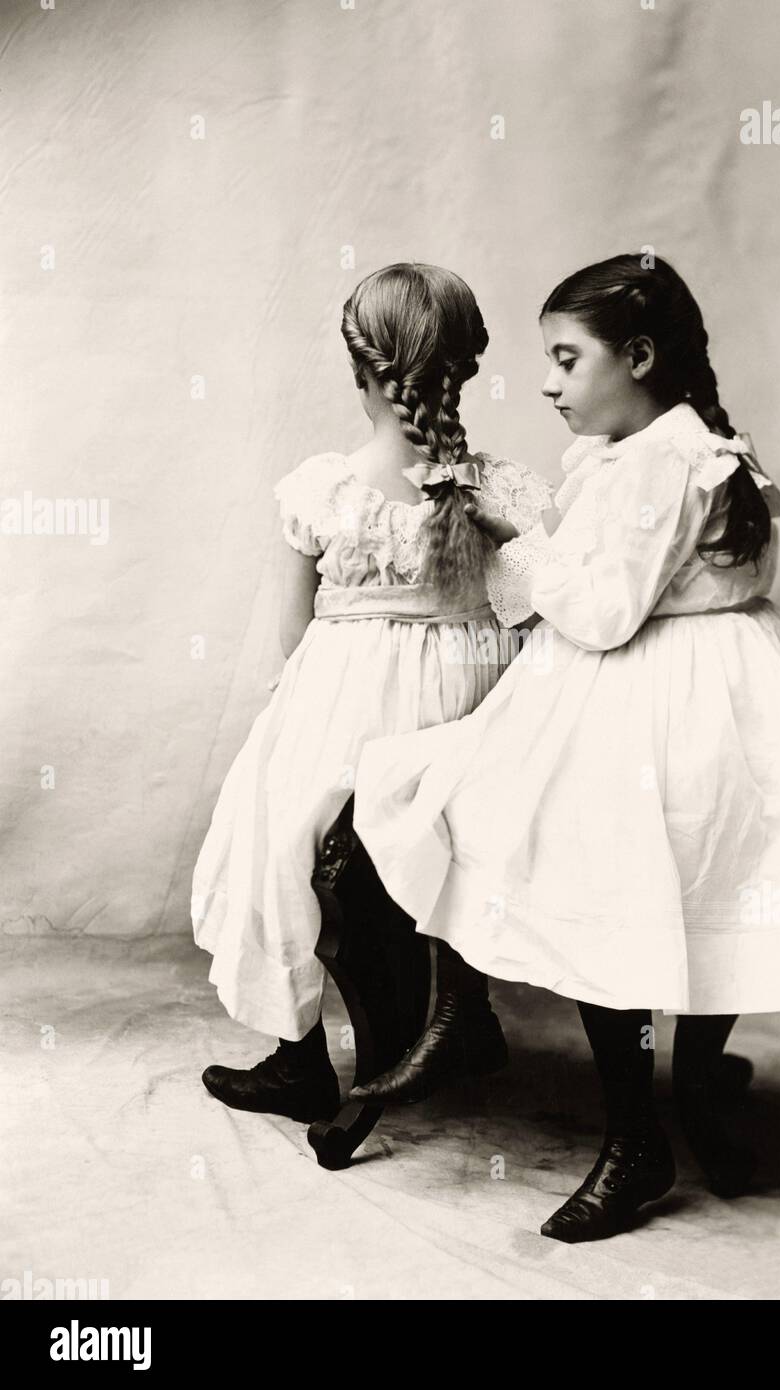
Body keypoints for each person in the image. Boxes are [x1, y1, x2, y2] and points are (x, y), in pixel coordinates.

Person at [351, 252, 780, 1242]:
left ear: (639, 357)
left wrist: (505, 530)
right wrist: (530, 533)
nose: (546, 383)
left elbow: (605, 608)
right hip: (719, 687)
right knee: (694, 890)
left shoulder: (667, 463)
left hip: (668, 700)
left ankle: (642, 1132)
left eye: (567, 361)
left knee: (619, 891)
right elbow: (603, 575)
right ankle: (680, 1093)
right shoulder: (683, 445)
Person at [191, 262, 552, 1124]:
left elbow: (291, 640)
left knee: (268, 835)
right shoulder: (508, 489)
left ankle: (299, 1057)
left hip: (353, 715)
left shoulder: (323, 490)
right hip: (480, 712)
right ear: (464, 368)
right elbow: (538, 613)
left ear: (360, 373)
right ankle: (461, 1020)